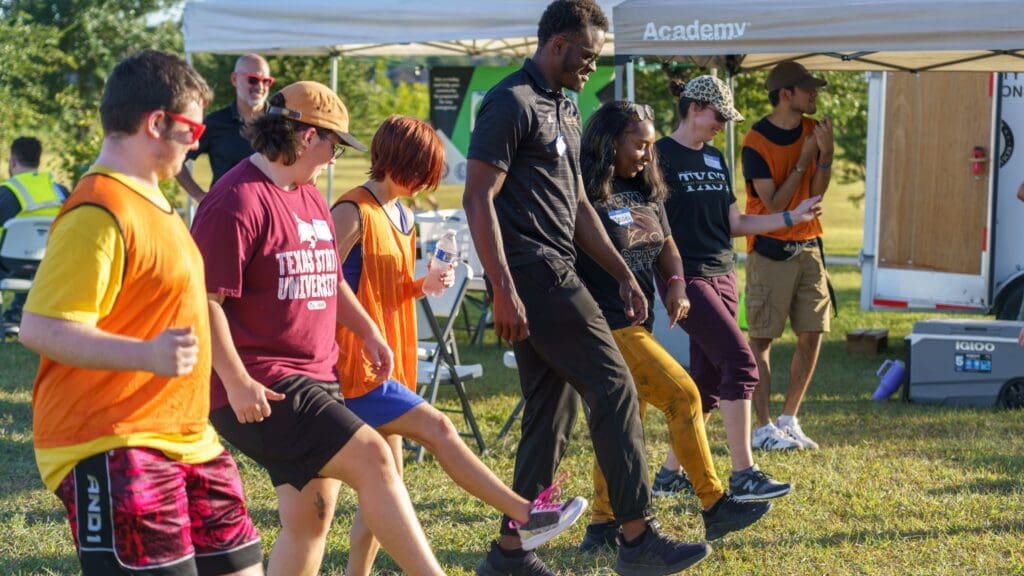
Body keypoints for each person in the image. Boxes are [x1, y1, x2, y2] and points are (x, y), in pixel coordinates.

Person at [464, 2, 712, 574]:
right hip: (532, 274)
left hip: (559, 269)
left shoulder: (568, 108)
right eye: (587, 56)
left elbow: (577, 206)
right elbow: (478, 198)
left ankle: (510, 552)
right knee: (617, 387)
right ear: (557, 46)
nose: (592, 67)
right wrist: (502, 288)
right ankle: (636, 535)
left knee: (550, 412)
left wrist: (625, 273)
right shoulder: (510, 103)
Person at [19, 49, 263, 576]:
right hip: (112, 440)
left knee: (242, 564)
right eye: (192, 130)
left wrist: (233, 377)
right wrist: (146, 355)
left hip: (189, 438)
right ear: (157, 122)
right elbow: (41, 327)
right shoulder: (97, 209)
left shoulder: (159, 203)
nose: (199, 141)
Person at [190, 82, 444, 576]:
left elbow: (329, 279)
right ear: (307, 137)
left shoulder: (306, 194)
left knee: (311, 517)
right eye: (334, 145)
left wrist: (368, 329)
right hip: (264, 382)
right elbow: (205, 302)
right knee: (375, 458)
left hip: (319, 375)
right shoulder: (235, 201)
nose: (335, 158)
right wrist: (238, 380)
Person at [332, 115, 587, 576]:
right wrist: (365, 334)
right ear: (398, 161)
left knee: (386, 482)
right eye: (422, 171)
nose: (424, 183)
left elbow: (384, 286)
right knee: (440, 429)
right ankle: (525, 515)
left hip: (392, 360)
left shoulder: (403, 214)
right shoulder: (352, 211)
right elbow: (324, 281)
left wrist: (422, 283)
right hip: (354, 366)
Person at [572, 100, 772, 552]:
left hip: (635, 321)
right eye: (638, 145)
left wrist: (677, 285)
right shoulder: (585, 194)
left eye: (649, 145)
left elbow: (667, 244)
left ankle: (602, 525)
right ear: (609, 143)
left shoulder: (645, 189)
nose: (647, 154)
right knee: (684, 396)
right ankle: (715, 503)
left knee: (624, 423)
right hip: (603, 324)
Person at [653, 75, 822, 499]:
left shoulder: (714, 158)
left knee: (709, 384)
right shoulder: (658, 156)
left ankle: (669, 476)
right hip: (687, 278)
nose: (721, 125)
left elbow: (736, 223)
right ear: (694, 108)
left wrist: (791, 218)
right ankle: (744, 473)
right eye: (717, 116)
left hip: (724, 274)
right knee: (742, 364)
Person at [741, 61, 835, 451]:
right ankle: (763, 429)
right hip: (769, 251)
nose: (814, 95)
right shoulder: (755, 141)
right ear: (785, 94)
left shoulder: (815, 132)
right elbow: (775, 202)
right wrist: (804, 157)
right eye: (807, 89)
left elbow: (816, 194)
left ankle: (789, 419)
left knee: (813, 333)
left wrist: (825, 156)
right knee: (761, 339)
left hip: (809, 247)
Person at [176, 53, 273, 203]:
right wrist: (199, 195)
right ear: (234, 79)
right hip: (226, 215)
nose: (260, 87)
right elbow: (177, 157)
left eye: (266, 81)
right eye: (253, 80)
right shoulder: (215, 123)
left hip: (271, 214)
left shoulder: (279, 123)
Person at [0, 136, 69, 328]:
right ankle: (18, 312)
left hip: (7, 265)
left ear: (13, 161)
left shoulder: (7, 192)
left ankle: (17, 313)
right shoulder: (60, 192)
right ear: (38, 160)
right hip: (51, 263)